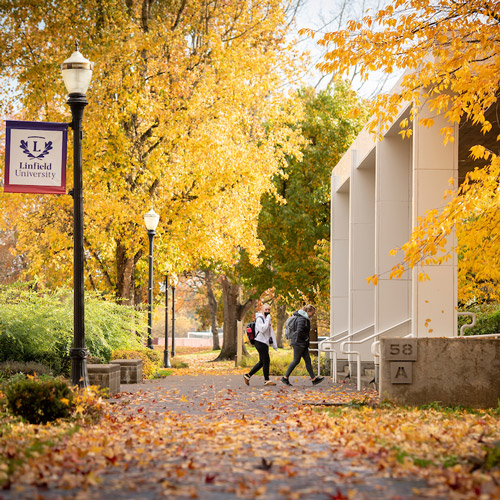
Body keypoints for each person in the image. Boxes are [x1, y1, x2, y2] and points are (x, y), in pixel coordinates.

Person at [281, 304, 324, 386]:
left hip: (301, 342)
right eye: (312, 313)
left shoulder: (303, 318)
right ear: (308, 311)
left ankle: (314, 379)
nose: (313, 315)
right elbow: (299, 331)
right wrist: (305, 338)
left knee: (308, 360)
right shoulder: (302, 319)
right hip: (299, 343)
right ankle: (285, 378)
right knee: (296, 360)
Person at [243, 303, 278, 386]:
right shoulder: (260, 319)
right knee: (266, 360)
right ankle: (266, 380)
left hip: (264, 343)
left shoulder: (267, 319)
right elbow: (262, 329)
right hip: (259, 342)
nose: (267, 311)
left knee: (262, 361)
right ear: (262, 310)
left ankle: (247, 376)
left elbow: (270, 332)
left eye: (269, 310)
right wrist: (268, 319)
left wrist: (274, 344)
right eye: (266, 310)